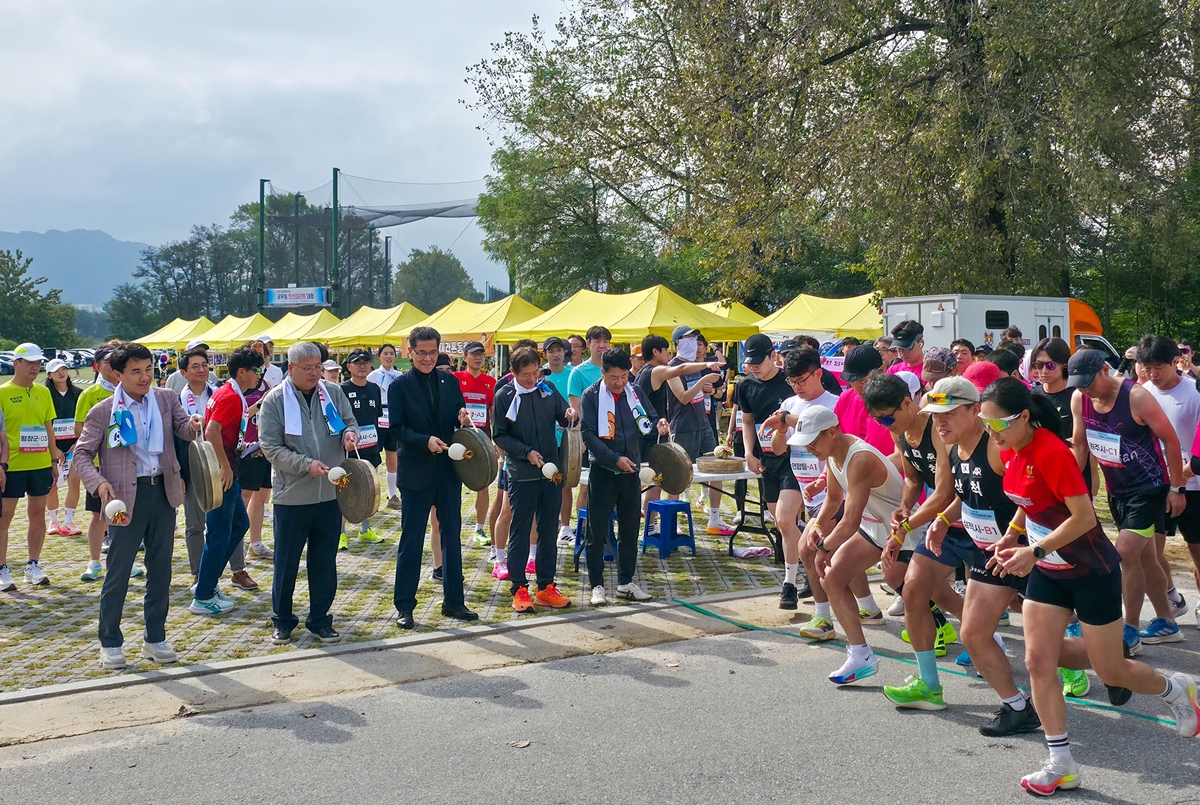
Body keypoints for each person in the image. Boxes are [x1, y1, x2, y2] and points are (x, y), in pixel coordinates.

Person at [980, 377, 1200, 794]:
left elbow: (1082, 517)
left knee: (1110, 668)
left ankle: (1175, 688)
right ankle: (1060, 762)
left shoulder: (1052, 452)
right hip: (1049, 572)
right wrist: (1012, 534)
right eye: (987, 426)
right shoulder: (1012, 449)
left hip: (1091, 571)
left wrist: (1036, 551)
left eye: (997, 426)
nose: (992, 434)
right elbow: (1028, 503)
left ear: (1023, 417)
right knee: (1037, 661)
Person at [923, 376, 1041, 735]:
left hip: (1029, 552)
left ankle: (1113, 664)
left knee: (1051, 645)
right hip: (990, 555)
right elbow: (968, 493)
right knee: (973, 634)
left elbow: (1034, 496)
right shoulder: (953, 446)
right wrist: (943, 519)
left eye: (949, 414)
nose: (939, 423)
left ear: (976, 412)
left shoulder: (996, 448)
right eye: (934, 415)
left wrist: (1022, 540)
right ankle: (1017, 706)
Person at [74, 341, 202, 669]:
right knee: (118, 571)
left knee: (161, 571)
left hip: (163, 493)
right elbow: (82, 453)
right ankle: (110, 642)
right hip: (123, 499)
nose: (145, 377)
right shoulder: (103, 411)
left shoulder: (166, 398)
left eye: (149, 370)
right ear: (117, 375)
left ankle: (155, 638)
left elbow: (182, 429)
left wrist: (196, 423)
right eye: (136, 372)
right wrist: (98, 483)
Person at [859, 374, 966, 710]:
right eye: (876, 419)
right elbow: (913, 478)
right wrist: (905, 505)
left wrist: (904, 527)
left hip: (977, 519)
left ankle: (1069, 658)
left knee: (1020, 604)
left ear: (908, 403)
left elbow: (947, 491)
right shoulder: (901, 431)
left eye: (887, 417)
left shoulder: (938, 429)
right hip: (944, 525)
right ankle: (930, 687)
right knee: (916, 590)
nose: (883, 424)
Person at [1069, 349, 1186, 656]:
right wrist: (1071, 490)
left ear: (1106, 370)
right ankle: (1167, 621)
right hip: (1117, 491)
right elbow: (1080, 445)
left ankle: (1129, 630)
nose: (1085, 390)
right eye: (1079, 384)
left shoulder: (1136, 397)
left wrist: (1177, 487)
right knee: (1146, 559)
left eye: (1089, 382)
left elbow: (1171, 440)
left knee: (1124, 556)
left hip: (1148, 490)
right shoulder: (1080, 399)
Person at [796, 405, 922, 682]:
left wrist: (824, 547)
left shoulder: (859, 459)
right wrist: (817, 527)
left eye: (812, 442)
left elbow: (849, 522)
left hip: (905, 532)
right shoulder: (832, 454)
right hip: (875, 530)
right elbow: (832, 499)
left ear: (831, 432)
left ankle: (987, 637)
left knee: (938, 596)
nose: (808, 449)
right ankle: (860, 654)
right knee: (832, 577)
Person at [259, 342, 359, 644]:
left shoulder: (333, 392)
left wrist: (349, 433)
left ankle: (320, 619)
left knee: (324, 561)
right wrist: (305, 464)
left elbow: (349, 421)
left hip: (331, 493)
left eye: (318, 367)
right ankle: (283, 620)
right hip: (292, 497)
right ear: (291, 369)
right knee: (286, 562)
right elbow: (271, 447)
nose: (315, 373)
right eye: (307, 368)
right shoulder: (275, 400)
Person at [389, 327, 477, 630]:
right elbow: (397, 429)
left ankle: (454, 601)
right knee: (411, 540)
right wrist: (423, 440)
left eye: (432, 352)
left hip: (448, 471)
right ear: (410, 352)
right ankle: (405, 606)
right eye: (421, 352)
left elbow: (454, 414)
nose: (427, 357)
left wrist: (461, 416)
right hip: (415, 471)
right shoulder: (399, 386)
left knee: (452, 536)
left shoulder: (449, 381)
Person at [493, 345, 578, 611]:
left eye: (535, 373)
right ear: (513, 372)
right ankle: (519, 588)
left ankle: (546, 587)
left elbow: (562, 415)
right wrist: (525, 452)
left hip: (551, 471)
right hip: (522, 473)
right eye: (526, 375)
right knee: (520, 531)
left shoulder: (547, 389)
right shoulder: (504, 395)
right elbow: (500, 435)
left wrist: (569, 415)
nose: (532, 379)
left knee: (548, 529)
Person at [580, 348, 668, 605]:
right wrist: (614, 459)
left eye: (624, 377)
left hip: (632, 471)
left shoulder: (635, 392)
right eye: (613, 378)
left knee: (630, 529)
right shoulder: (591, 396)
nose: (619, 383)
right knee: (597, 531)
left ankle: (626, 582)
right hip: (604, 470)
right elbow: (589, 435)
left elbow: (649, 421)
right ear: (603, 373)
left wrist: (659, 424)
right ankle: (597, 585)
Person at [188, 345, 265, 615]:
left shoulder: (231, 393)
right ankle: (203, 594)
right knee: (220, 532)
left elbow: (233, 422)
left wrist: (257, 407)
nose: (259, 375)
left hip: (229, 464)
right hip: (224, 470)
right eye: (256, 370)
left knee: (238, 524)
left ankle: (208, 581)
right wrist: (224, 465)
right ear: (241, 371)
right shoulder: (230, 396)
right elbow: (212, 429)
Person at [762, 347, 840, 610]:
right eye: (791, 381)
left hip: (831, 485)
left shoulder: (834, 403)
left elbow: (835, 441)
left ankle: (829, 608)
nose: (797, 387)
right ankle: (791, 582)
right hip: (800, 478)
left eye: (801, 380)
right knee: (785, 521)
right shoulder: (789, 404)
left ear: (818, 373)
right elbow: (777, 448)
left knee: (822, 551)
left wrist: (788, 419)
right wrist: (782, 429)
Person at [738, 335, 814, 601]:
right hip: (767, 459)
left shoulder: (790, 382)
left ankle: (789, 584)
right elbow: (747, 423)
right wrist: (748, 453)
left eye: (759, 361)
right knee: (784, 525)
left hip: (795, 459)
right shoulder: (746, 385)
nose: (754, 367)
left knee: (784, 518)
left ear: (773, 355)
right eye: (750, 363)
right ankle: (814, 556)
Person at [636, 333, 727, 534]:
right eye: (666, 350)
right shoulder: (656, 370)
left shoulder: (645, 371)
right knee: (656, 481)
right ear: (655, 352)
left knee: (655, 481)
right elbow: (682, 370)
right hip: (649, 433)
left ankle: (651, 527)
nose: (669, 354)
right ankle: (651, 527)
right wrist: (705, 367)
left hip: (653, 430)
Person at [1138, 336, 1199, 635]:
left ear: (1175, 361)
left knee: (1196, 551)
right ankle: (1171, 602)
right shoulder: (1143, 393)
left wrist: (1183, 479)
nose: (1152, 374)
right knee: (1150, 551)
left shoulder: (1194, 392)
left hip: (1194, 484)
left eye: (1158, 367)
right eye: (1146, 367)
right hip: (1156, 485)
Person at [0, 343, 64, 591]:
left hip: (39, 465)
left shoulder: (43, 392)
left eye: (38, 363)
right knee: (4, 517)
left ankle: (33, 565)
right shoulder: (3, 392)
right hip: (12, 465)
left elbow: (49, 428)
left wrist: (52, 459)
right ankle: (3, 569)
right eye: (30, 363)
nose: (35, 367)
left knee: (37, 515)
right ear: (16, 364)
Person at [664, 326, 732, 535]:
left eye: (695, 338)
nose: (693, 342)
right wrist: (702, 382)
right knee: (678, 475)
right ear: (677, 343)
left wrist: (712, 389)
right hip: (683, 427)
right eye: (688, 338)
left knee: (716, 469)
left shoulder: (697, 364)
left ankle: (714, 517)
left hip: (704, 424)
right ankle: (672, 522)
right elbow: (683, 397)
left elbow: (718, 384)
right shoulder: (672, 367)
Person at [176, 347, 219, 586]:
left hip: (218, 462)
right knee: (194, 523)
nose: (202, 369)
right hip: (191, 465)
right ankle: (197, 573)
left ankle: (236, 569)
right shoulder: (175, 400)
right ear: (183, 372)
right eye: (195, 366)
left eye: (205, 364)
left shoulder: (219, 393)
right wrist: (179, 474)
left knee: (226, 520)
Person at [568, 327, 611, 540]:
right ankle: (584, 531)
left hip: (613, 440)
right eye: (597, 341)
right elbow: (575, 410)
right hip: (590, 439)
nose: (602, 345)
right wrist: (582, 438)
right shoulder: (579, 373)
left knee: (611, 489)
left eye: (605, 341)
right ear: (589, 344)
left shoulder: (616, 370)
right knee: (586, 488)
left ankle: (608, 533)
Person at [340, 349, 384, 546]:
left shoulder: (374, 388)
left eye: (366, 362)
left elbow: (377, 418)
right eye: (357, 362)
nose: (362, 366)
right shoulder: (340, 390)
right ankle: (341, 533)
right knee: (345, 490)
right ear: (349, 367)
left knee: (369, 489)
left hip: (371, 448)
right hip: (348, 449)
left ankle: (366, 529)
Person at [454, 341, 496, 547]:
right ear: (465, 357)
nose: (478, 358)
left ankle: (479, 529)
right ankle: (451, 527)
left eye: (481, 354)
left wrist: (495, 442)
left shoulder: (491, 381)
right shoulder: (456, 379)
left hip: (482, 438)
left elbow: (493, 414)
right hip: (459, 438)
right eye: (474, 354)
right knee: (454, 485)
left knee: (483, 484)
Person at [237, 341, 275, 566]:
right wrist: (260, 404)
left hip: (264, 447)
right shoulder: (236, 386)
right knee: (244, 496)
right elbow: (241, 415)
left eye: (264, 355)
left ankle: (256, 543)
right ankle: (238, 545)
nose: (261, 361)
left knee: (262, 497)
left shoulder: (266, 383)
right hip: (245, 448)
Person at [542, 336, 577, 543]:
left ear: (565, 353)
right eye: (551, 351)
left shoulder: (573, 374)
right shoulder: (540, 376)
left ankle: (565, 527)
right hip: (545, 441)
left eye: (559, 350)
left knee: (566, 483)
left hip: (568, 440)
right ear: (545, 354)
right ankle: (546, 525)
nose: (555, 355)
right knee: (546, 484)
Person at [44, 358, 82, 536]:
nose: (61, 373)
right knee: (53, 484)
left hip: (75, 446)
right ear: (49, 375)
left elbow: (85, 420)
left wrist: (78, 443)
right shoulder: (46, 395)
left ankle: (69, 521)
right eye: (56, 370)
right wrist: (53, 448)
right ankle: (53, 520)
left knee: (74, 481)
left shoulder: (79, 394)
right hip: (53, 447)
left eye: (64, 369)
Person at [367, 343, 403, 510]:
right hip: (377, 418)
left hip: (393, 418)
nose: (389, 356)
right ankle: (369, 496)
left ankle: (392, 495)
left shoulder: (399, 376)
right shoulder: (373, 376)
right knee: (373, 458)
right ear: (379, 356)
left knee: (393, 458)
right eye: (386, 353)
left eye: (391, 353)